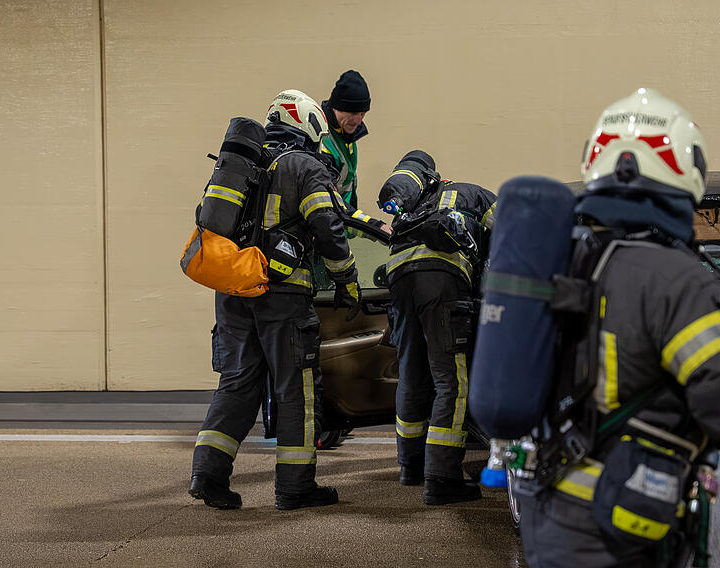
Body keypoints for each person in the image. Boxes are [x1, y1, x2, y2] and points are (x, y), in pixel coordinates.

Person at [516, 89, 720, 566]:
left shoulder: (559, 258)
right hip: (617, 517)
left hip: (545, 500)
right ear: (683, 168)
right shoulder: (675, 279)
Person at [189, 89, 362, 511]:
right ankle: (295, 487)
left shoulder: (243, 164)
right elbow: (328, 226)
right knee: (295, 389)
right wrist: (347, 278)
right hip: (282, 296)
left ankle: (207, 475)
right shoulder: (304, 165)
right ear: (308, 124)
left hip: (233, 290)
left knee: (236, 383)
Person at [380, 150, 498, 505]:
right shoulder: (473, 193)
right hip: (442, 281)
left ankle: (411, 467)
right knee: (452, 380)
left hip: (399, 282)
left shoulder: (410, 208)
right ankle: (442, 478)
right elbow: (510, 233)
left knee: (412, 376)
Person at [320, 70, 371, 209]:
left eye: (362, 113)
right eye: (353, 112)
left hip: (343, 220)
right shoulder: (321, 138)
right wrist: (371, 223)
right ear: (337, 107)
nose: (359, 121)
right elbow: (328, 199)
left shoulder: (347, 133)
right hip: (330, 221)